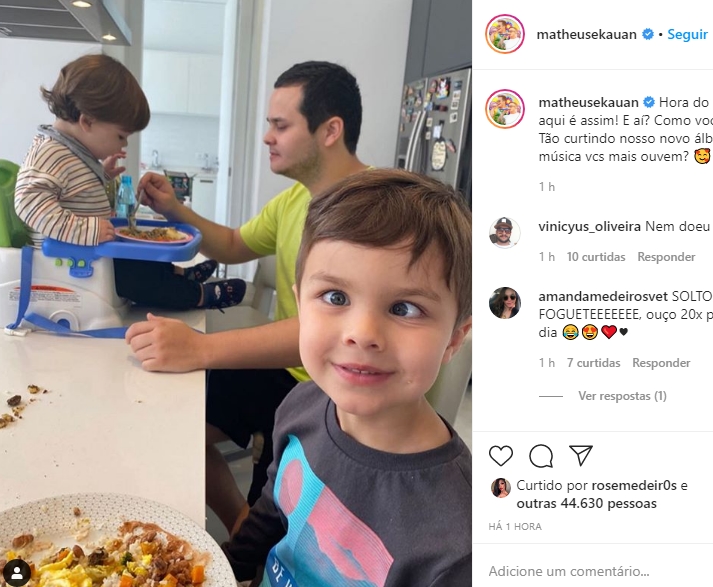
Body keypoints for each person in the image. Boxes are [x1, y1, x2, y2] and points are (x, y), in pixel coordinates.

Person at [124, 61, 369, 535]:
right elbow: (235, 244)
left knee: (273, 509)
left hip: (333, 388)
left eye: (281, 125)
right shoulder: (296, 199)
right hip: (289, 369)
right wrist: (175, 208)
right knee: (174, 424)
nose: (267, 137)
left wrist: (201, 348)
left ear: (330, 130)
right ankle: (243, 527)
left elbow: (335, 330)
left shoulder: (369, 211)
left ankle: (255, 537)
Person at [222, 168, 473, 586]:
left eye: (405, 308)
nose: (362, 333)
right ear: (300, 304)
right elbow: (272, 512)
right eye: (335, 297)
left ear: (455, 339)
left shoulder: (459, 539)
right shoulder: (300, 405)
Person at [13, 54, 242, 311]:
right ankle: (198, 295)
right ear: (87, 121)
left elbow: (71, 191)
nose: (124, 145)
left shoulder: (69, 152)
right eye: (121, 136)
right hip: (70, 261)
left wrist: (102, 174)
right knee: (138, 279)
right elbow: (29, 203)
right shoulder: (50, 153)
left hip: (89, 254)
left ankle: (179, 274)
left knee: (137, 254)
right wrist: (86, 231)